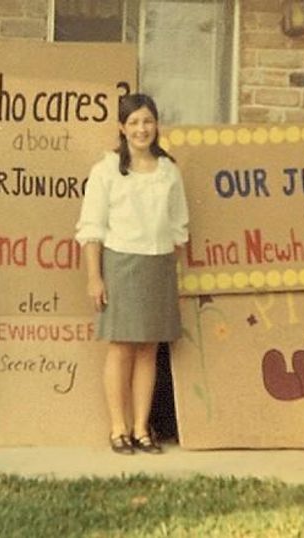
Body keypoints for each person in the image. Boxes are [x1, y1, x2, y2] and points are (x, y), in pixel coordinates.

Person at [75, 94, 189, 455]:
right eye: (135, 122)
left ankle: (142, 428)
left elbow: (178, 227)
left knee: (148, 349)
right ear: (122, 128)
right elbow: (91, 228)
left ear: (156, 126)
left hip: (157, 266)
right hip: (121, 265)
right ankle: (118, 428)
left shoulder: (168, 171)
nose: (142, 129)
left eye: (148, 122)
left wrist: (168, 266)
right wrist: (95, 277)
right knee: (122, 347)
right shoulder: (106, 171)